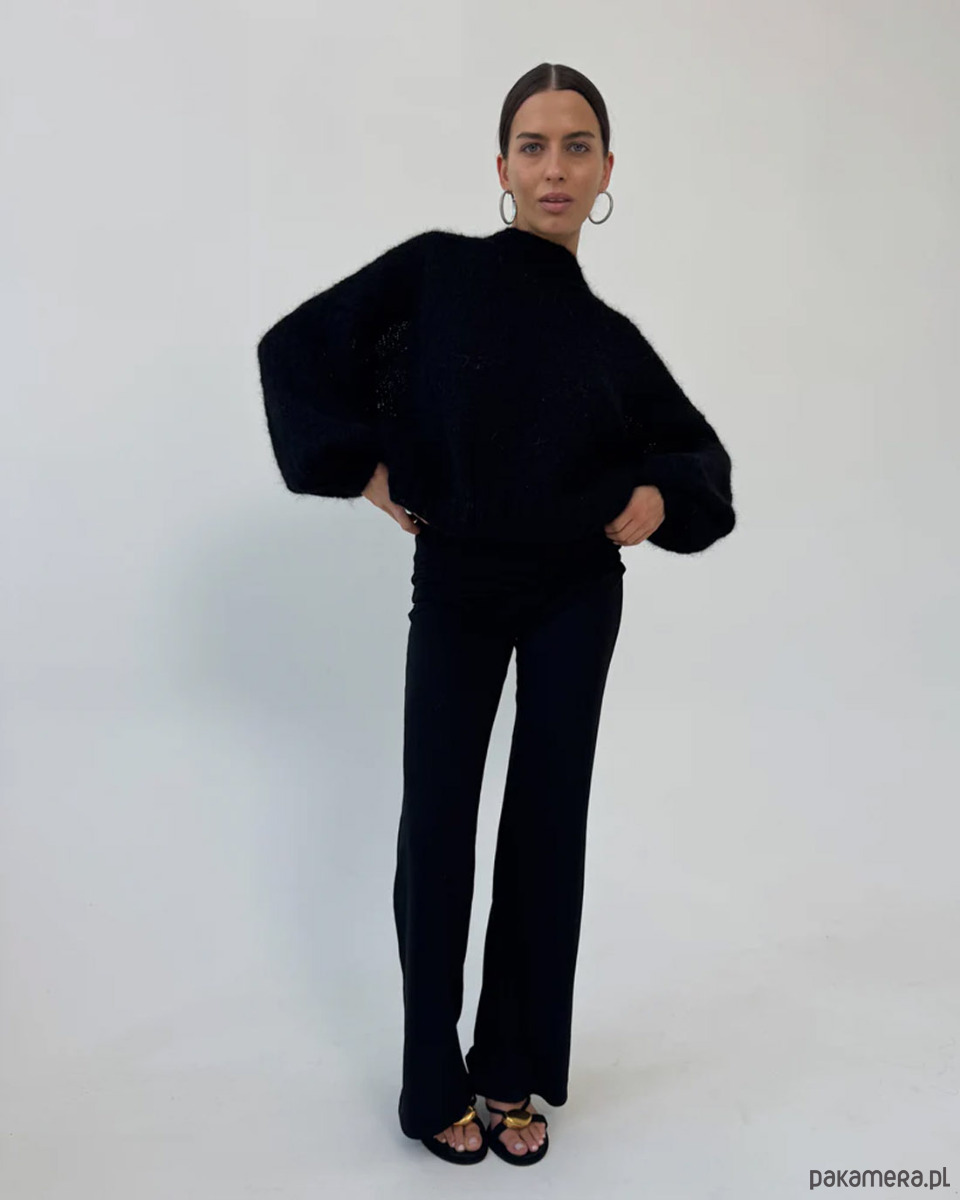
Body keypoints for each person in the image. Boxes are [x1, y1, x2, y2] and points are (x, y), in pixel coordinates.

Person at [256, 62, 736, 1167]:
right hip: (462, 580)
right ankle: (433, 1078)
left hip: (577, 591)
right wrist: (362, 468)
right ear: (503, 165)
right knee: (438, 824)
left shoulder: (612, 340)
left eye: (577, 146)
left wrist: (661, 493)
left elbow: (697, 458)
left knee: (546, 826)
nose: (555, 168)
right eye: (533, 144)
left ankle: (512, 1068)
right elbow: (297, 350)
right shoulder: (439, 272)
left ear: (607, 171)